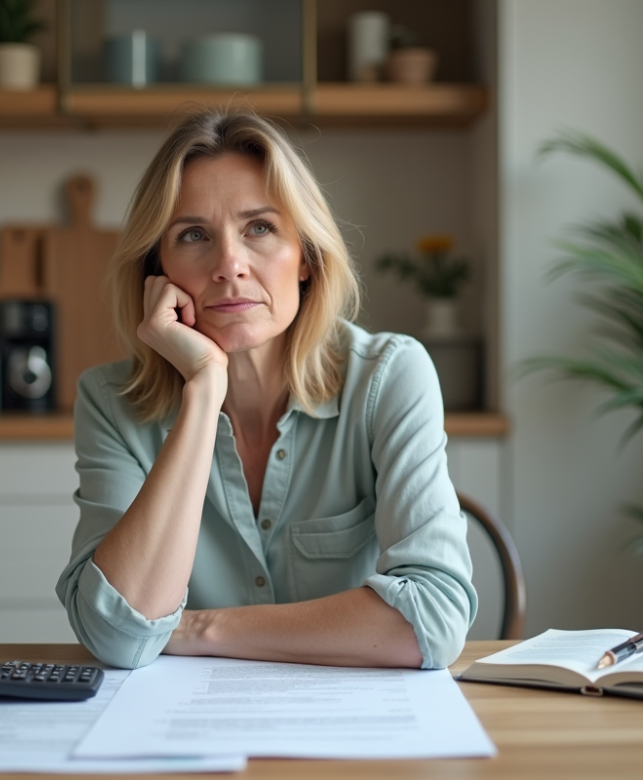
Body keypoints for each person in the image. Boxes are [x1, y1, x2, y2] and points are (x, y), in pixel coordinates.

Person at [56, 108, 476, 670]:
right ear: (158, 269)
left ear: (305, 255)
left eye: (259, 227)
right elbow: (115, 634)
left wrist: (201, 628)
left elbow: (434, 619)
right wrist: (203, 392)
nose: (229, 264)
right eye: (193, 235)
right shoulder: (110, 401)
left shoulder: (389, 376)